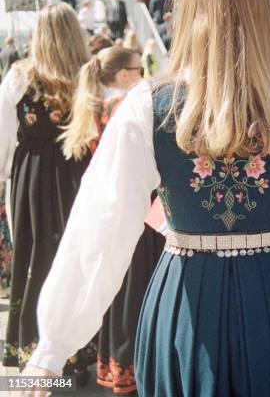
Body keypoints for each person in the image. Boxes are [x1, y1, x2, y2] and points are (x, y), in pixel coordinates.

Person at [24, 0, 270, 396]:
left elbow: (101, 229)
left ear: (189, 13)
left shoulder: (148, 105)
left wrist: (51, 351)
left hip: (187, 301)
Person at [0, 3, 96, 385]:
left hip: (33, 172)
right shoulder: (89, 75)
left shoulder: (20, 76)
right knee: (73, 256)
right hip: (78, 167)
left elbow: (5, 133)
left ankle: (31, 348)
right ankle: (75, 353)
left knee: (33, 252)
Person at [59, 46, 162, 395]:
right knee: (135, 295)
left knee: (117, 292)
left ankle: (117, 372)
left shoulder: (94, 104)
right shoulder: (122, 106)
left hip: (112, 209)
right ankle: (135, 371)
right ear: (124, 74)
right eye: (140, 69)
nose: (144, 76)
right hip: (139, 214)